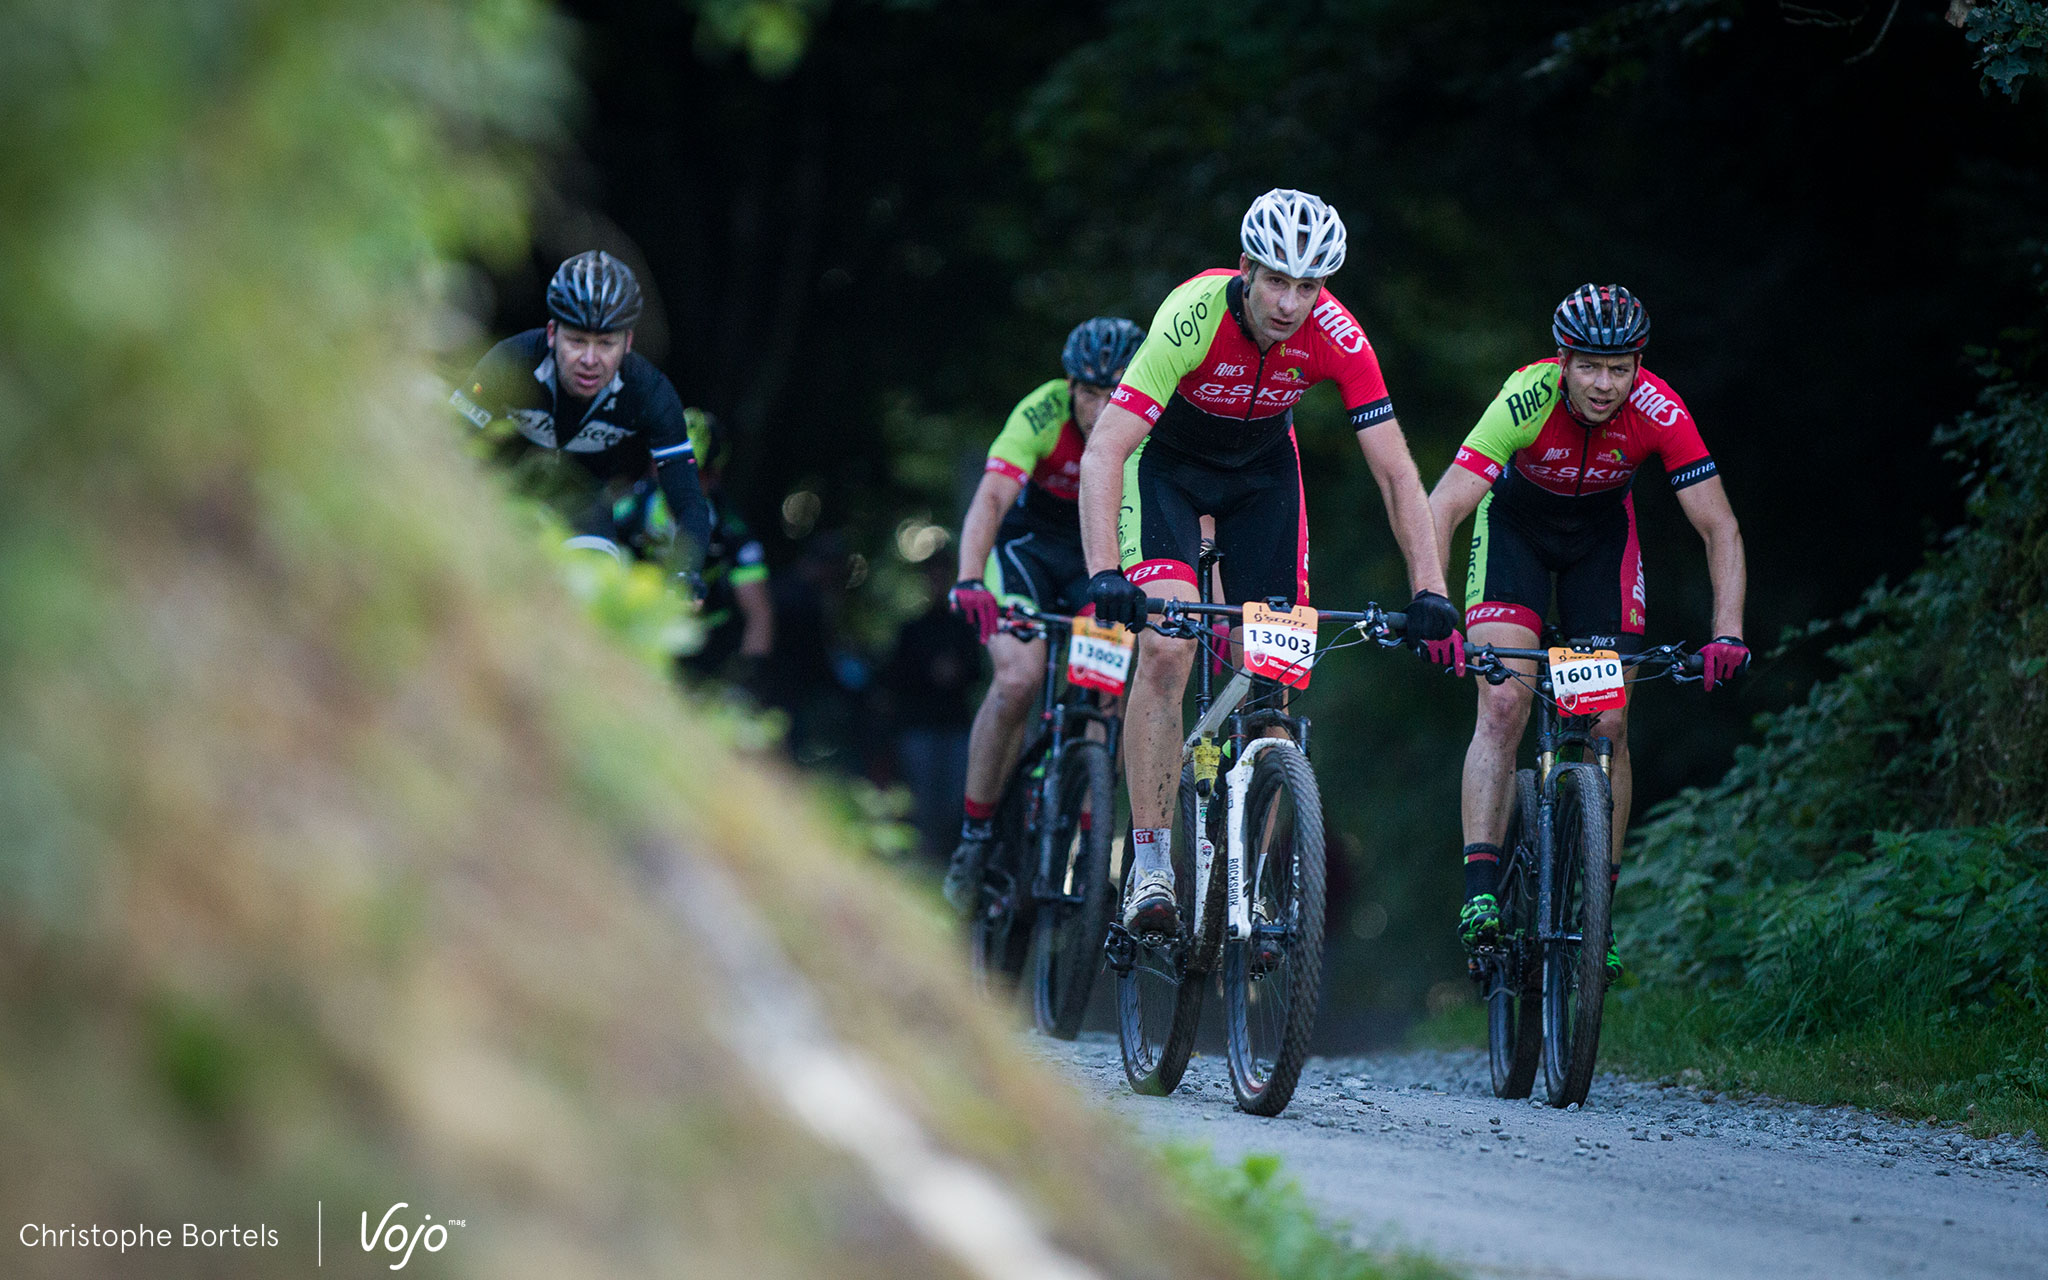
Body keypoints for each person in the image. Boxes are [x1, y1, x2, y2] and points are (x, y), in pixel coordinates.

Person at [1078, 188, 1462, 934]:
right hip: (1167, 471)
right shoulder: (1192, 316)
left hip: (1262, 479)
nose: (1291, 303)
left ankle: (1250, 882)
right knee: (1167, 646)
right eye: (1278, 281)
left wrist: (1430, 588)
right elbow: (1107, 452)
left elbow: (1394, 472)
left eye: (1309, 286)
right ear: (1247, 269)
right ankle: (1152, 864)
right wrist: (1104, 573)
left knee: (1274, 680)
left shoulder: (1339, 336)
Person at [1426, 283, 1749, 972]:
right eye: (1589, 368)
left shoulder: (1660, 408)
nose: (1605, 386)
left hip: (1600, 546)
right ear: (1563, 360)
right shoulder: (1525, 397)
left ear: (1639, 365)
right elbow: (1446, 503)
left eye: (1620, 369)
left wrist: (1728, 630)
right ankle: (1482, 892)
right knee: (1506, 700)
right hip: (1515, 533)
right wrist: (1432, 601)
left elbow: (1718, 524)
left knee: (1606, 724)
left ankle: (1595, 910)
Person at [940, 316, 1146, 912]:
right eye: (1087, 390)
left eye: (1114, 391)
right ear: (1069, 385)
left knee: (1104, 694)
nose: (1100, 405)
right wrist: (969, 578)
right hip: (1027, 556)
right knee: (1018, 680)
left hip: (1096, 564)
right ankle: (975, 835)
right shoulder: (1040, 413)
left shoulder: (1148, 424)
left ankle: (1087, 843)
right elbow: (993, 498)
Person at [451, 250, 711, 575]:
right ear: (551, 334)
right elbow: (446, 444)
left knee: (595, 578)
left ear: (627, 342)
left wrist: (687, 571)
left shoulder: (650, 393)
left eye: (605, 344)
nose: (590, 359)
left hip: (586, 506)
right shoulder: (510, 362)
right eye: (576, 340)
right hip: (500, 488)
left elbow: (687, 497)